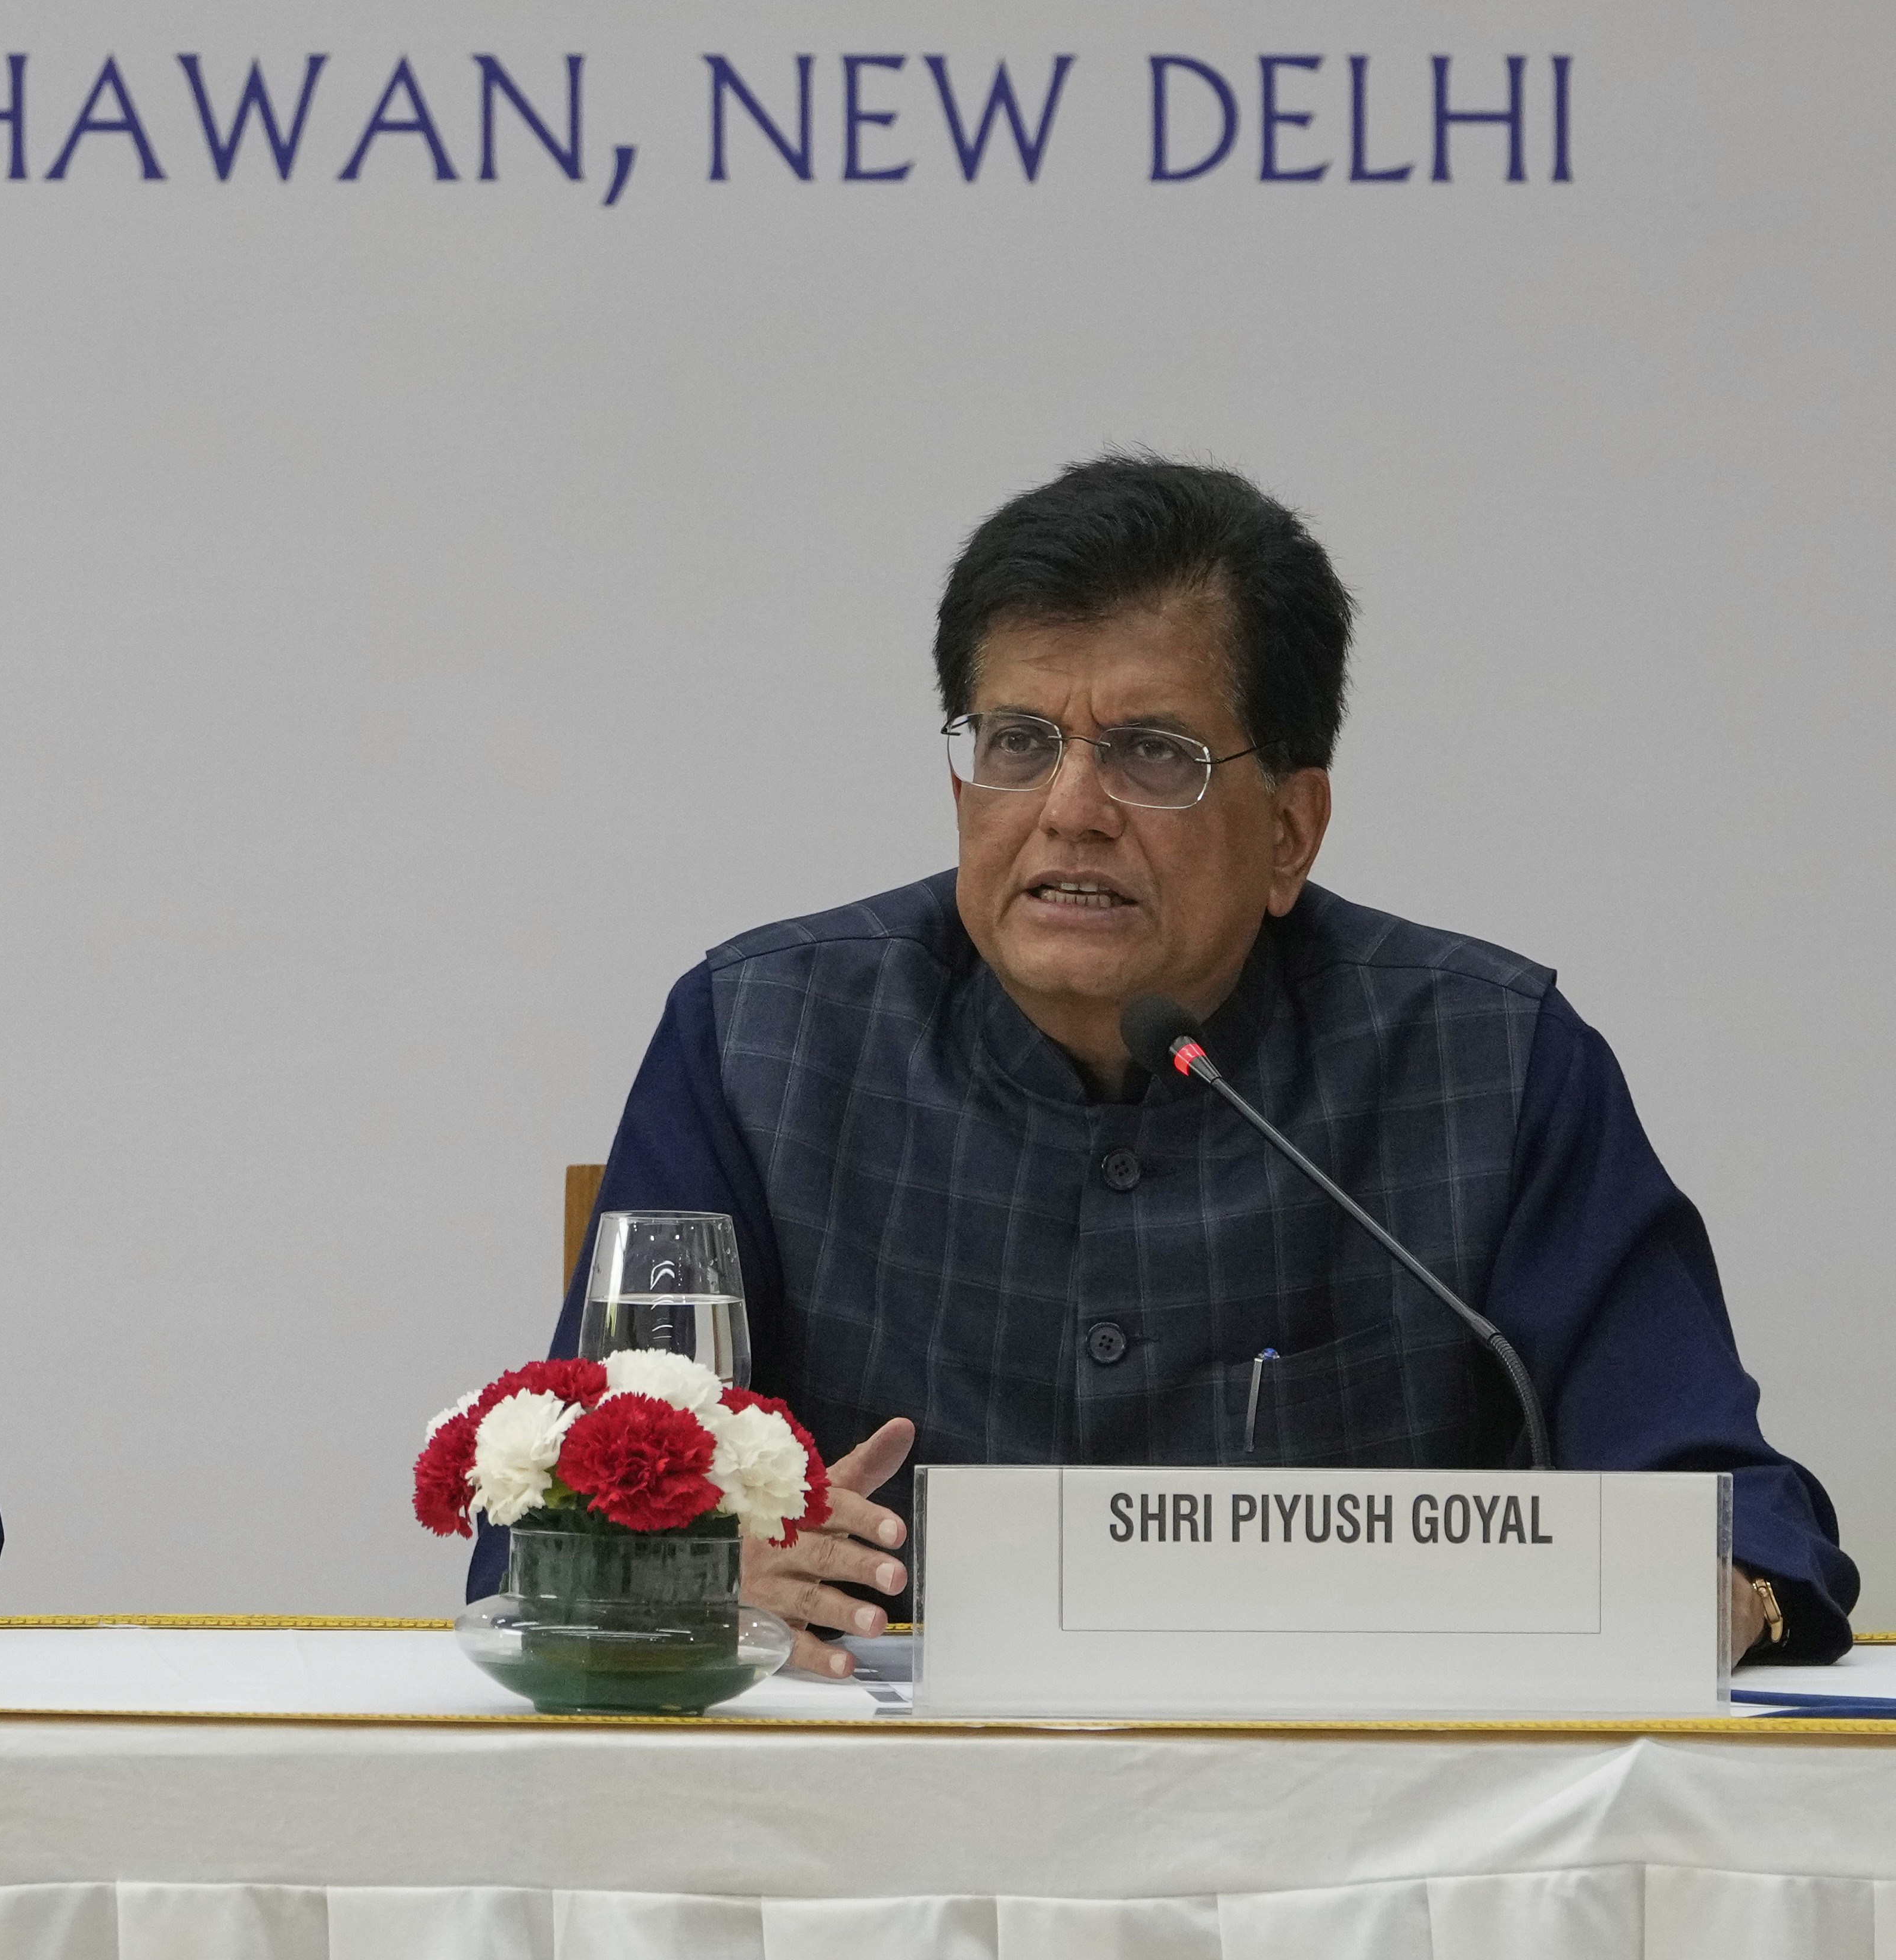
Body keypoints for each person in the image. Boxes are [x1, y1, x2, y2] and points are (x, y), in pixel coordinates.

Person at [495, 455, 1856, 1670]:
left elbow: (1725, 1512)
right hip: (868, 1858)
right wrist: (700, 1583)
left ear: (1292, 830)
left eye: (1154, 753)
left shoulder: (1487, 1061)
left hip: (1357, 1855)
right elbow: (553, 1535)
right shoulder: (765, 1038)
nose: (1071, 811)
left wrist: (1702, 1594)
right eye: (1019, 743)